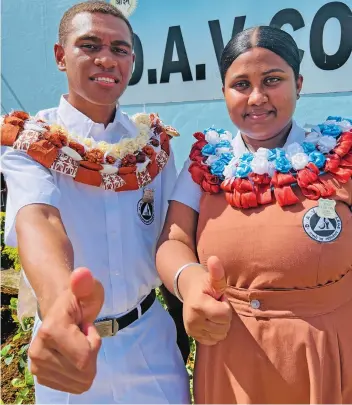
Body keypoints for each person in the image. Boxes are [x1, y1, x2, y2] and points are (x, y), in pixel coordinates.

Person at [1, 1, 190, 403]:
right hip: (70, 344)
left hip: (150, 338)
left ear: (132, 60)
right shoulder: (33, 142)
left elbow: (171, 234)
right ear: (60, 56)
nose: (106, 58)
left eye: (120, 49)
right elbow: (41, 220)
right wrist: (59, 310)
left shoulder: (154, 145)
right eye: (89, 45)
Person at [156, 25, 352, 404]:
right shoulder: (207, 164)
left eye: (273, 80)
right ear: (224, 92)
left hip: (328, 353)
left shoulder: (340, 155)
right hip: (231, 355)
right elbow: (173, 240)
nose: (257, 97)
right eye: (241, 84)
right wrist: (190, 284)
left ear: (299, 83)